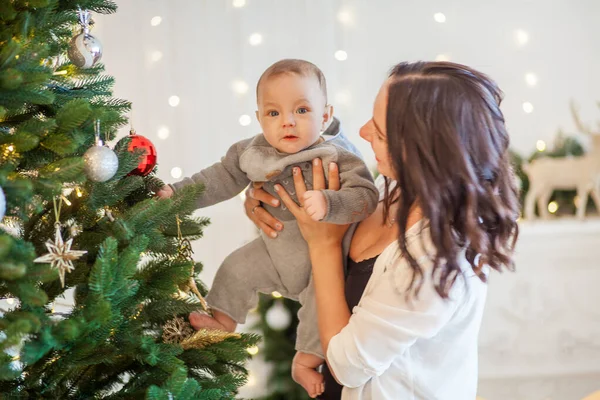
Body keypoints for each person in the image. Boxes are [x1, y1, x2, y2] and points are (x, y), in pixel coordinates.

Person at [244, 61, 520, 399]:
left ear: (422, 151)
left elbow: (347, 366)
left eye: (379, 129)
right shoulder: (391, 189)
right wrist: (267, 199)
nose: (362, 132)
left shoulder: (438, 257)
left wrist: (323, 245)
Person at [156, 59, 379, 398]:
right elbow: (218, 179)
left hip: (324, 265)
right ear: (259, 118)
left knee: (322, 311)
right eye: (273, 113)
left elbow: (366, 196)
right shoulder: (252, 152)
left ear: (324, 114)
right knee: (235, 268)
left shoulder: (337, 155)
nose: (287, 121)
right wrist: (177, 195)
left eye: (302, 110)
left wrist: (329, 203)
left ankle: (304, 363)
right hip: (275, 251)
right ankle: (223, 319)